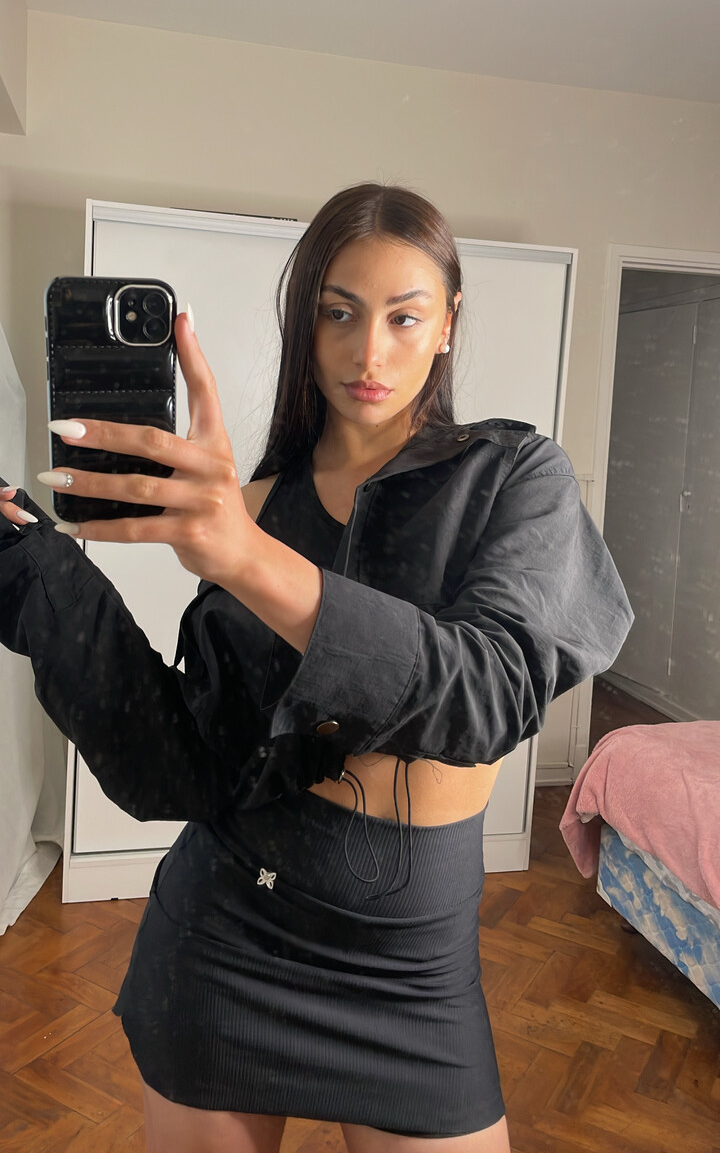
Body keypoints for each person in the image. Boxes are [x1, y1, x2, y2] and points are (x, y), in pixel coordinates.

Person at [0, 182, 634, 1153]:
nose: (369, 350)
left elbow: (488, 693)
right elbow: (178, 768)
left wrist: (248, 558)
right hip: (226, 938)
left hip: (414, 975)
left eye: (403, 315)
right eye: (338, 312)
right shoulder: (252, 505)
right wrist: (37, 569)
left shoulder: (513, 477)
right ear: (306, 322)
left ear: (447, 323)